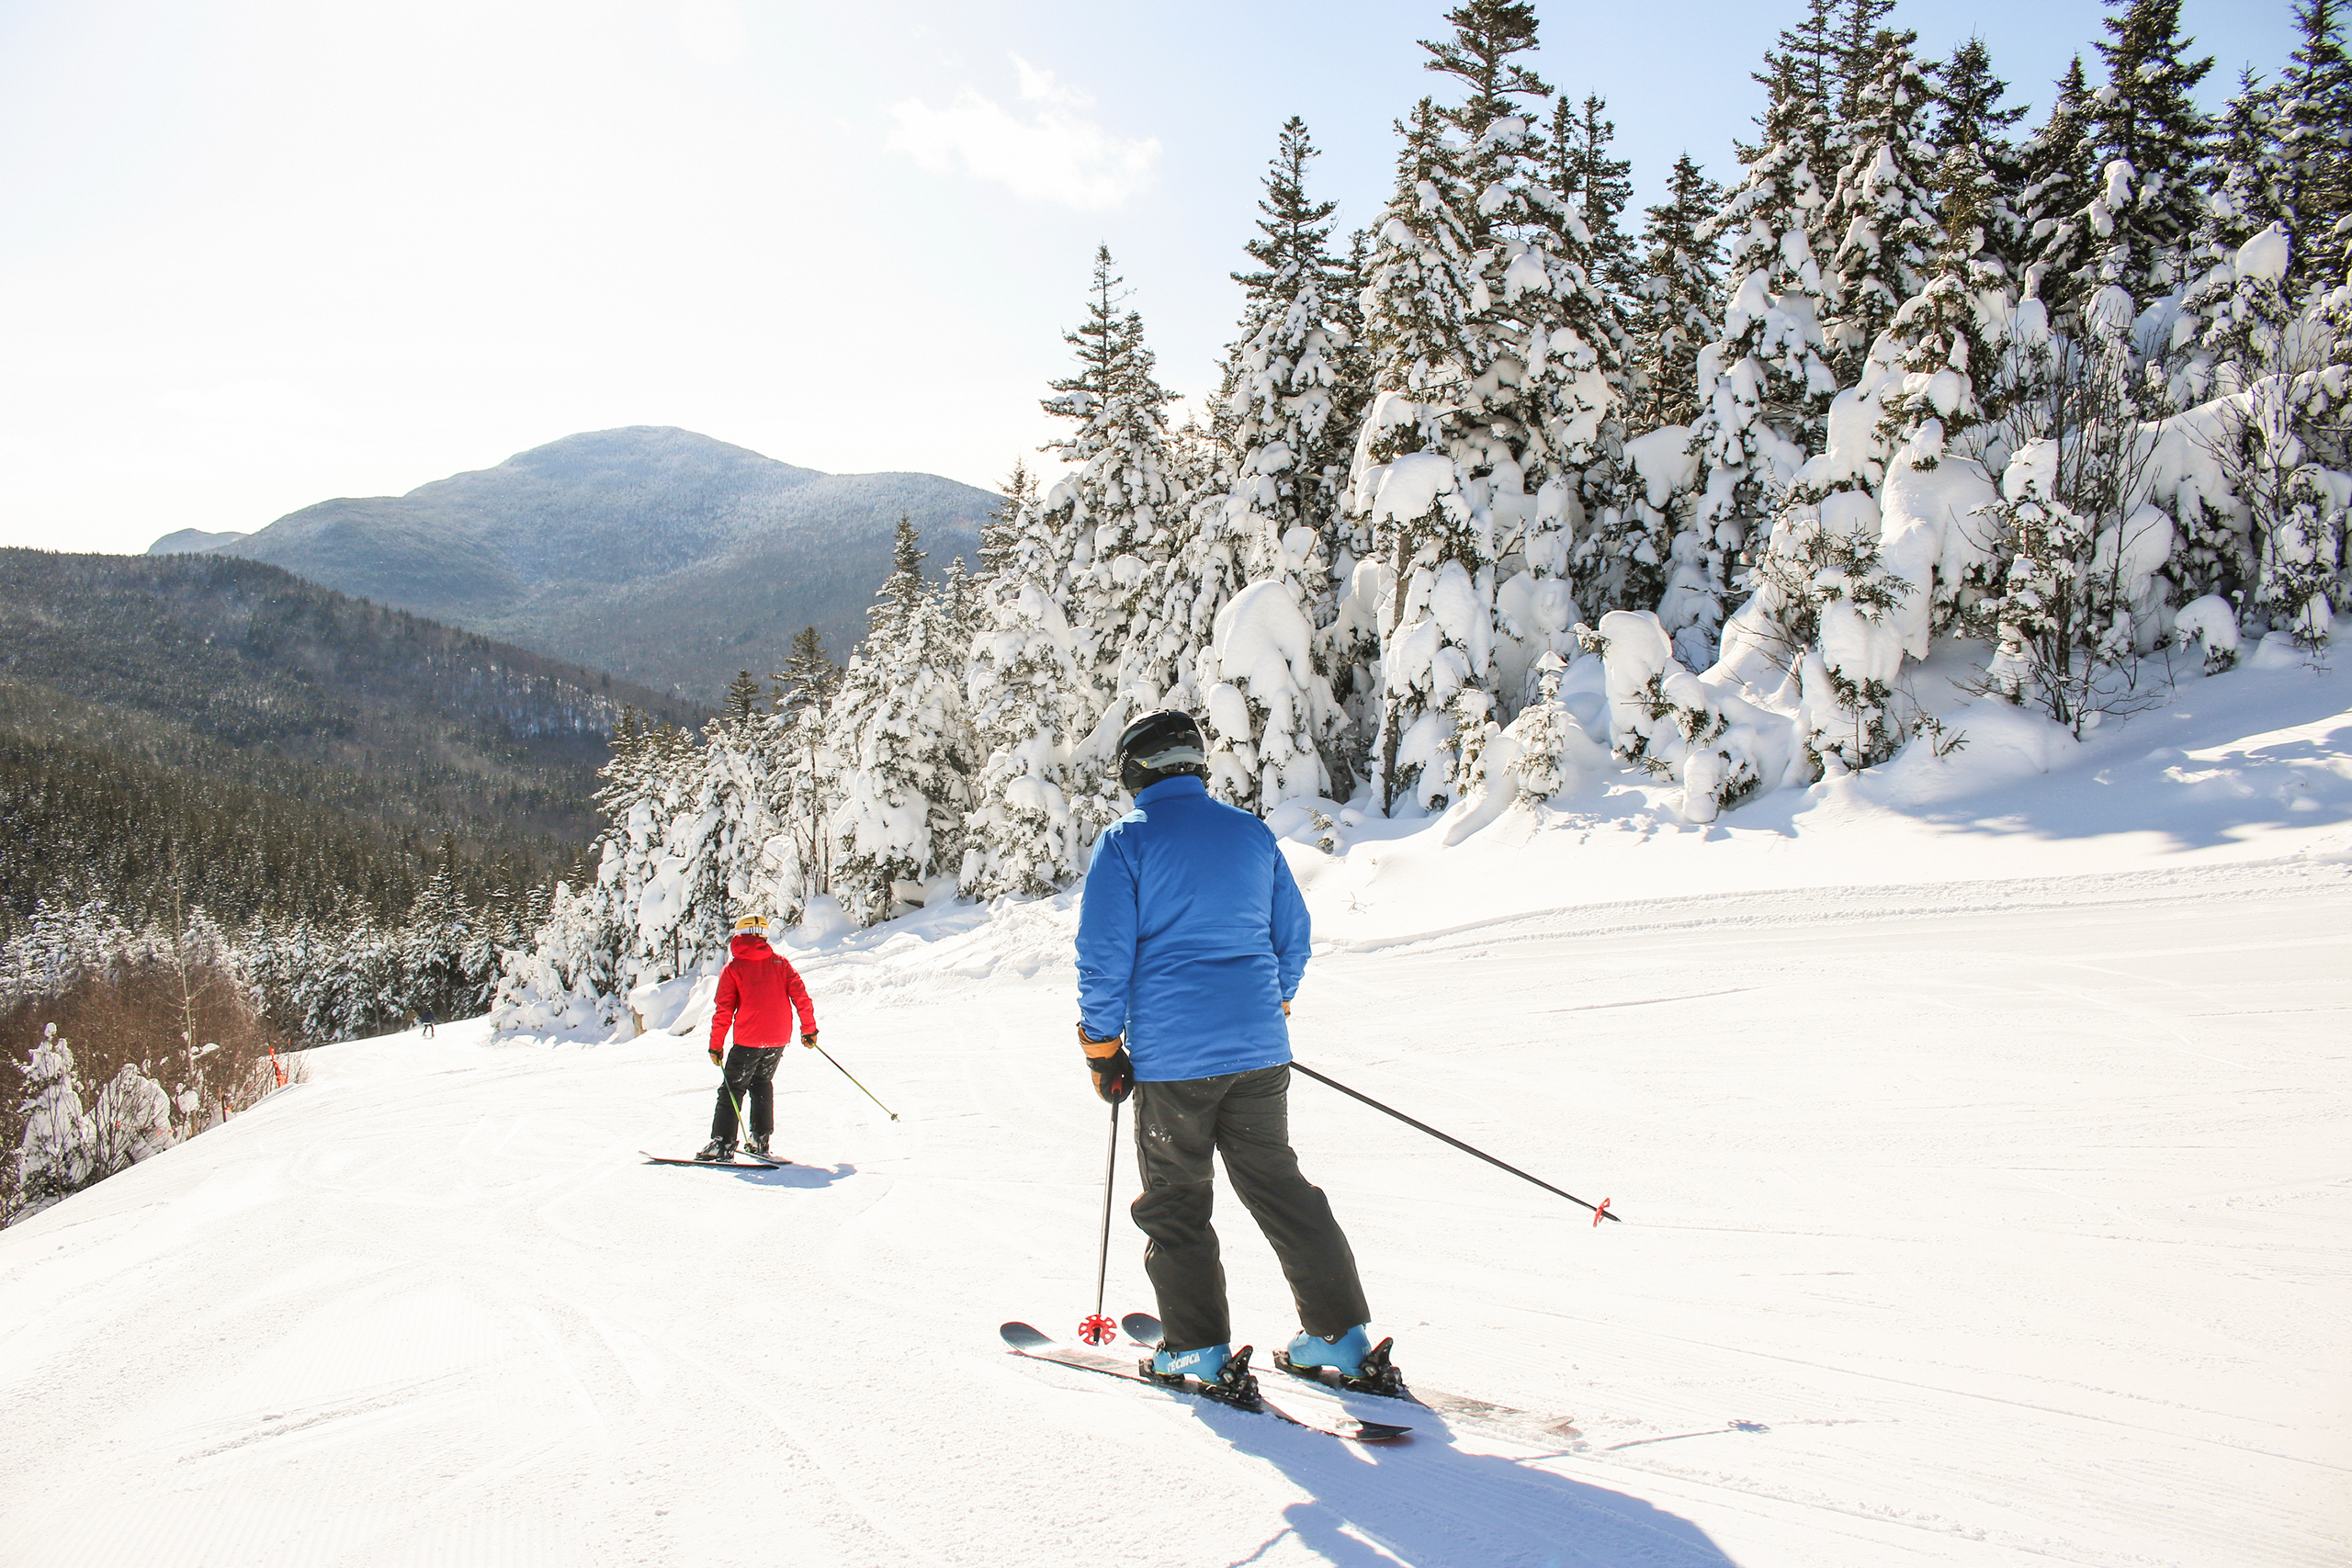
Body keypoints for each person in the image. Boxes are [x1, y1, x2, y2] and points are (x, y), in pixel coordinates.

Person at [1075, 708, 1391, 1403]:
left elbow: (1104, 957)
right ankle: (1339, 1334)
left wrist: (1102, 1048)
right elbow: (1293, 938)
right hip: (1258, 1057)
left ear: (1136, 769)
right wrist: (1267, 1009)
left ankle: (1195, 1349)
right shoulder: (1250, 834)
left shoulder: (1127, 842)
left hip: (1173, 1063)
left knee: (1177, 1200)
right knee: (1281, 1188)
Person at [697, 914, 819, 1161]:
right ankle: (760, 1141)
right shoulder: (780, 963)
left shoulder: (733, 968)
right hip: (777, 1038)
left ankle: (722, 1144)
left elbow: (724, 1010)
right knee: (761, 1083)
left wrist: (716, 1045)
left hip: (749, 1038)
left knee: (732, 1088)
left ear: (740, 935)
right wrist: (809, 1030)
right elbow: (802, 998)